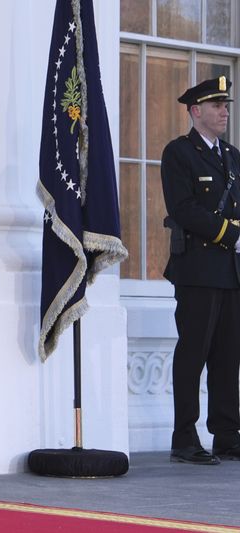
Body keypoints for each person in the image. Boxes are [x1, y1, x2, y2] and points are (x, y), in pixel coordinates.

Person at [161, 76, 240, 465]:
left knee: (229, 355)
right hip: (197, 269)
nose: (225, 111)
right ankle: (184, 436)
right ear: (195, 112)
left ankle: (227, 433)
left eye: (225, 105)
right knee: (193, 352)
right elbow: (184, 209)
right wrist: (232, 235)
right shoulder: (179, 153)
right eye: (216, 105)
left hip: (230, 271)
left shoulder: (233, 156)